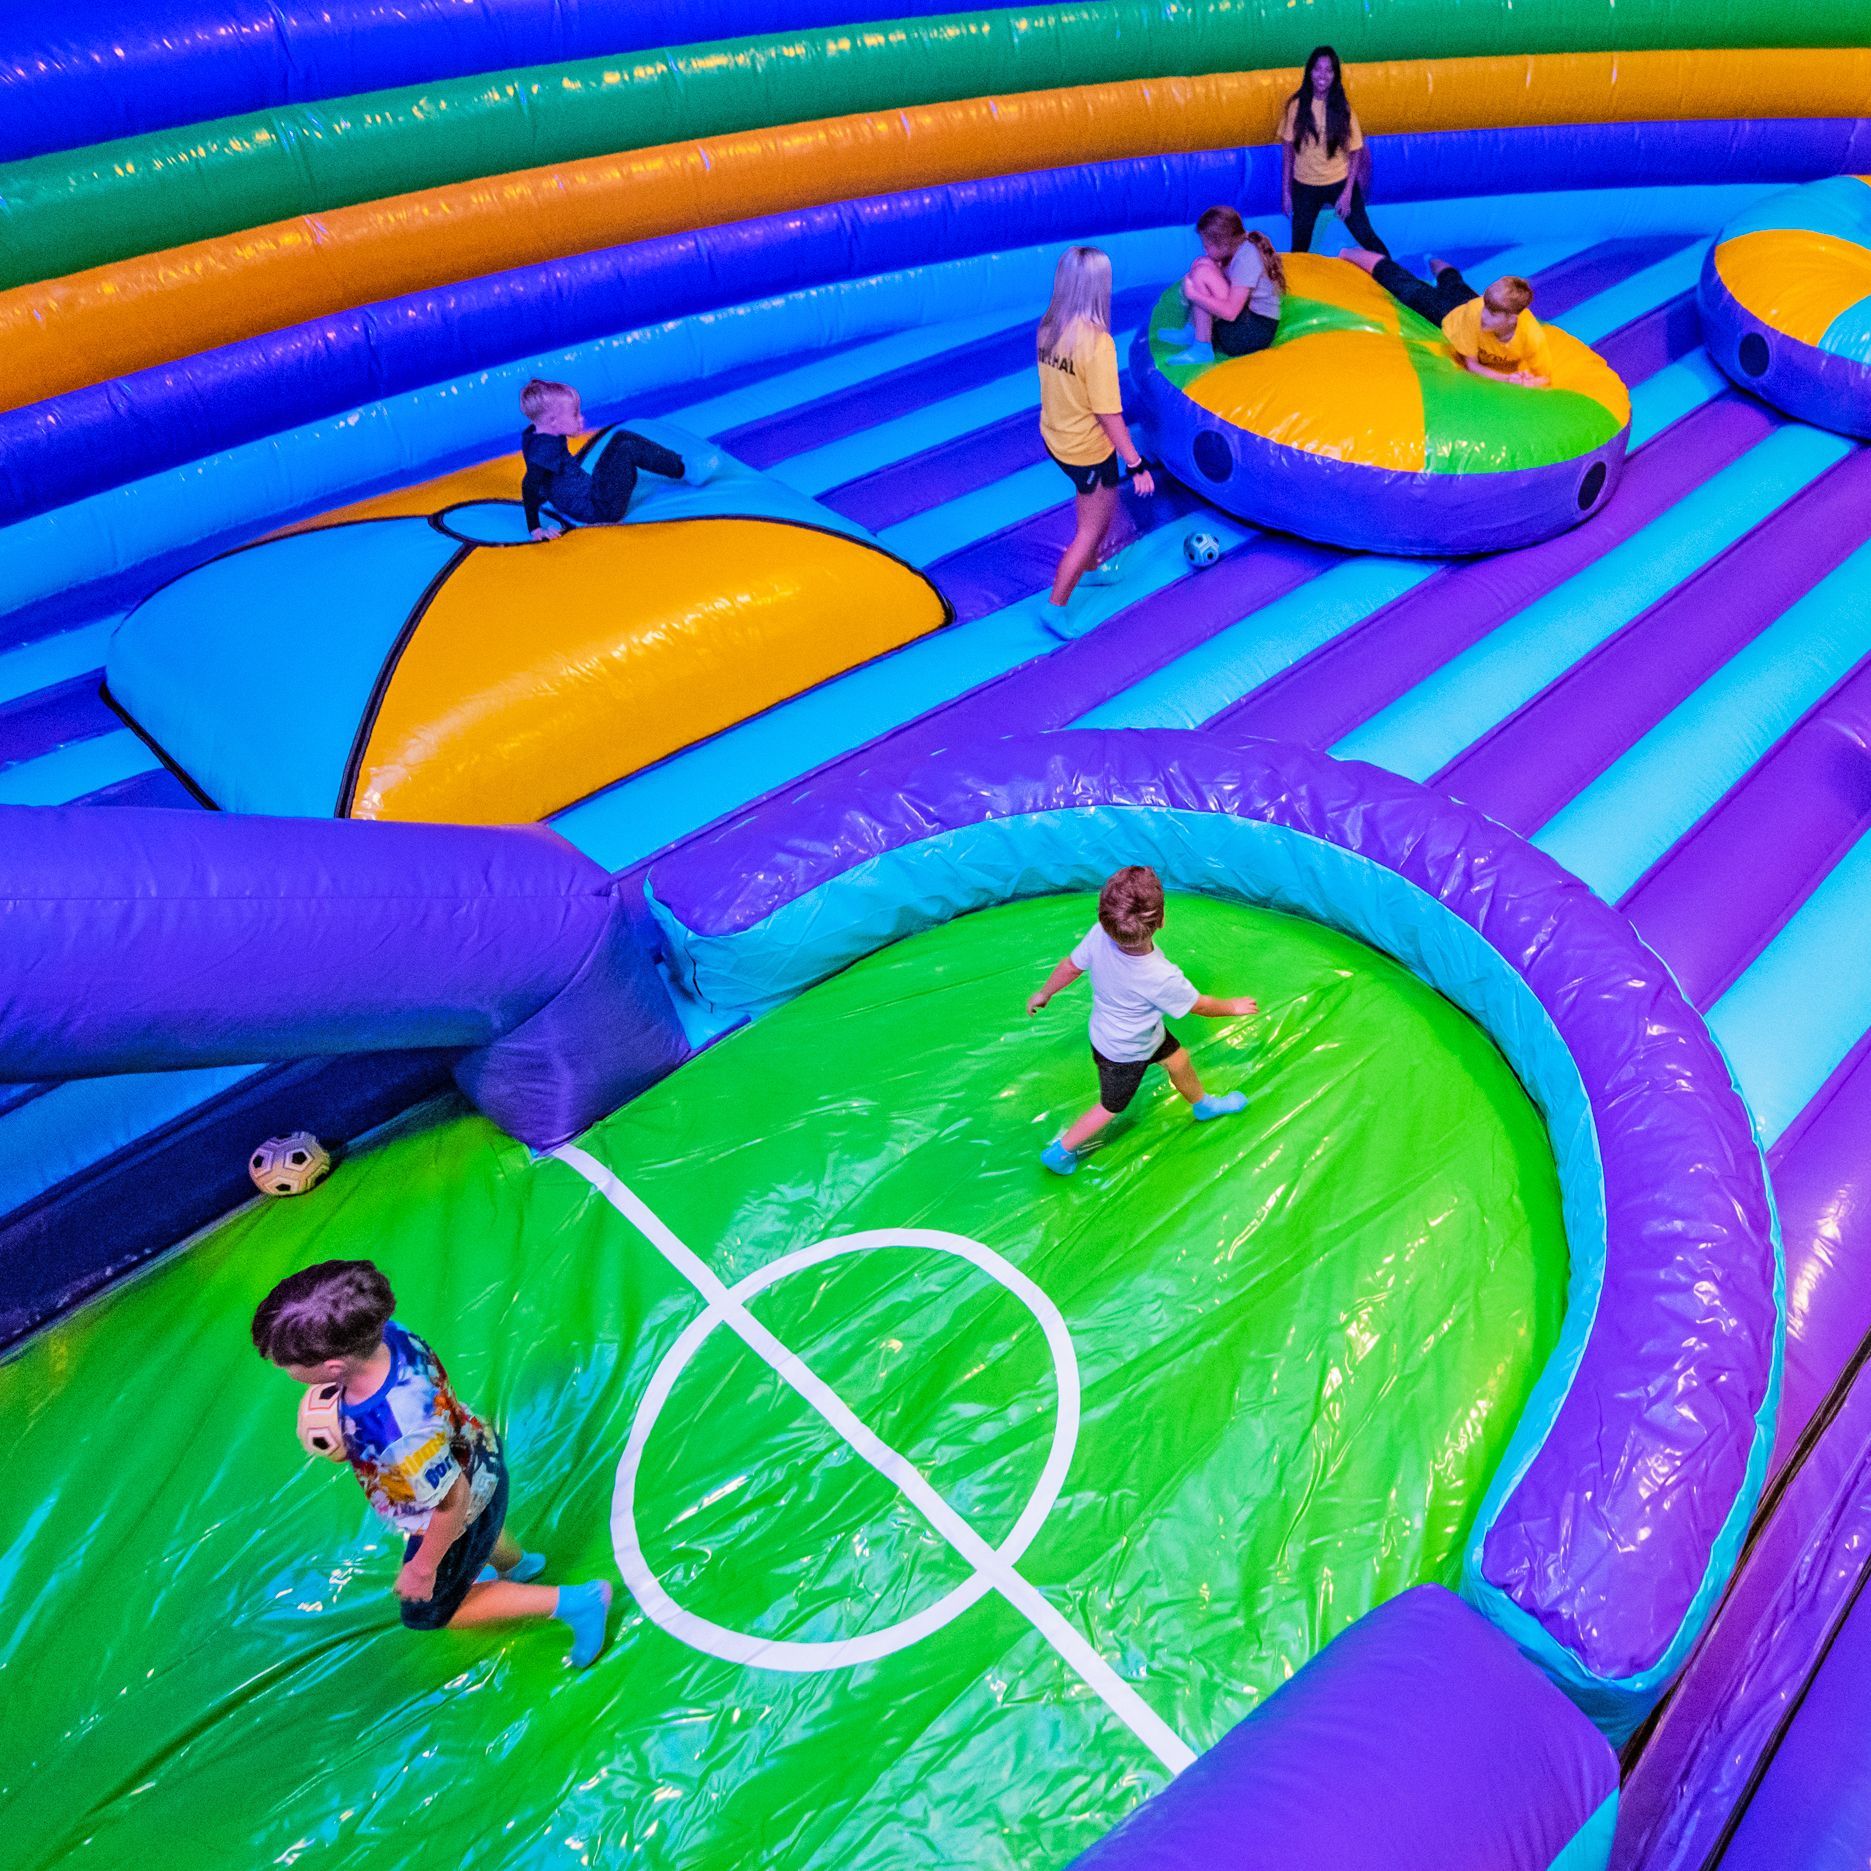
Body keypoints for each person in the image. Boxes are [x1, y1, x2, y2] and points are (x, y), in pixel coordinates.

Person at [252, 1259, 612, 1665]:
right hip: (477, 1453)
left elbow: (451, 1503)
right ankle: (520, 1565)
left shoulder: (396, 1432)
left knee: (438, 1611)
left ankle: (577, 1603)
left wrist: (423, 1569)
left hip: (452, 1500)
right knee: (481, 1528)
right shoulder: (388, 1333)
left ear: (334, 1366)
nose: (286, 1371)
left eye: (288, 1366)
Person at [1027, 866, 1259, 1175]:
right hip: (1123, 1052)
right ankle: (1061, 1152)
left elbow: (1070, 966)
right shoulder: (1159, 976)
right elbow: (1199, 1005)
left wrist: (1045, 993)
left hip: (1137, 1034)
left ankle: (1203, 1105)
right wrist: (1232, 1006)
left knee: (1178, 1060)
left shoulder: (1100, 934)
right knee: (1111, 1106)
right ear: (1161, 921)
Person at [1034, 245, 1155, 638]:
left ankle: (1089, 569)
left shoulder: (1049, 327)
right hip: (1086, 448)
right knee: (1093, 527)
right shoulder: (1097, 344)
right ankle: (1056, 606)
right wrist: (1135, 462)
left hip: (1057, 436)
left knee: (1095, 507)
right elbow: (1109, 414)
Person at [1343, 250, 1554, 386]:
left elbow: (1545, 376)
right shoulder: (1476, 313)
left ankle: (1433, 261)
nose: (1484, 313)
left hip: (1465, 303)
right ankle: (1345, 251)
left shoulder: (1531, 336)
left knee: (1454, 283)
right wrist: (1509, 379)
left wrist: (1531, 382)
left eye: (1491, 311)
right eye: (1485, 304)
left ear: (1511, 317)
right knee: (1405, 285)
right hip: (1447, 313)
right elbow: (1471, 366)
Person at [519, 378, 694, 540]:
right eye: (575, 414)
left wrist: (548, 492)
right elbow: (529, 485)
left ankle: (679, 464)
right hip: (599, 510)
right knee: (627, 448)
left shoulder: (535, 433)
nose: (581, 419)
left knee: (622, 437)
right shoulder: (544, 450)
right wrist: (536, 529)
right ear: (553, 421)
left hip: (589, 492)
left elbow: (543, 472)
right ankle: (685, 467)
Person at [1279, 46, 1390, 258]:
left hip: (1338, 181)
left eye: (1328, 70)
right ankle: (1294, 285)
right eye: (1317, 69)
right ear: (1309, 72)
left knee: (1365, 235)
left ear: (1334, 75)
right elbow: (1288, 152)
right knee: (1299, 245)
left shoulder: (1342, 108)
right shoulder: (1297, 106)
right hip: (1305, 185)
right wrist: (1286, 192)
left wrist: (1347, 193)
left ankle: (1395, 274)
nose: (1322, 75)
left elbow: (1356, 151)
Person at [1175, 206, 1286, 360]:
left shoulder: (1247, 257)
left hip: (1252, 334)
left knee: (1202, 273)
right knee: (1201, 263)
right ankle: (1192, 330)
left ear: (1224, 243)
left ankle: (1202, 349)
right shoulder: (1236, 246)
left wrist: (1194, 295)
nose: (1204, 249)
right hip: (1246, 321)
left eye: (1207, 246)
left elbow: (1231, 313)